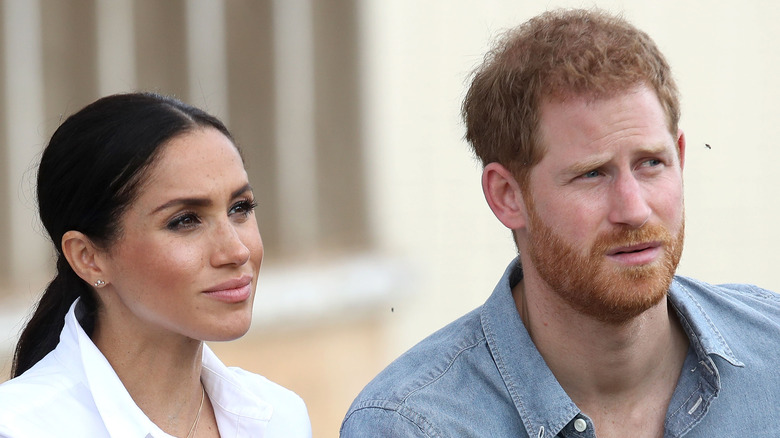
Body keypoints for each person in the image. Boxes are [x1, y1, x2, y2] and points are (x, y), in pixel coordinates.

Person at [341, 8, 780, 438]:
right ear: (507, 196)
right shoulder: (410, 425)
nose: (634, 209)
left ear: (680, 160)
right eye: (592, 174)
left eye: (651, 163)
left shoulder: (772, 352)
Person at [0, 93, 311, 437]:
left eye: (240, 208)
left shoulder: (278, 418)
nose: (237, 251)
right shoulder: (19, 428)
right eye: (185, 220)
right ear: (88, 258)